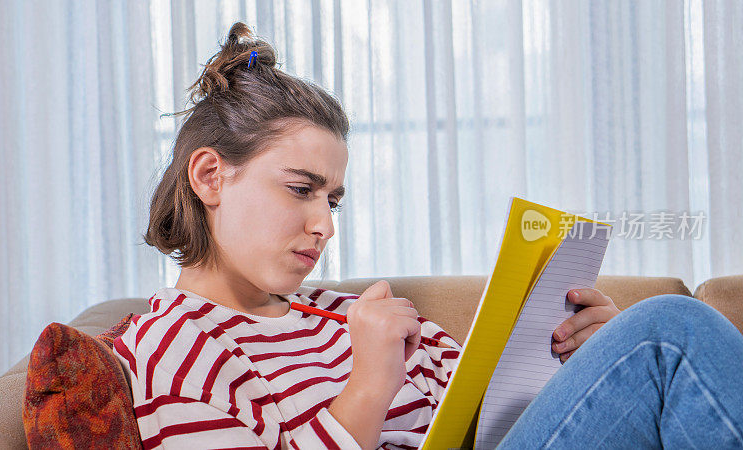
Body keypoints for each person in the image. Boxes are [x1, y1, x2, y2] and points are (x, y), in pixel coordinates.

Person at [114, 22, 743, 449]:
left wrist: (582, 361)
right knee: (672, 332)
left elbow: (501, 422)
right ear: (209, 176)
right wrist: (369, 384)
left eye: (333, 200)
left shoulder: (348, 315)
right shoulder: (171, 347)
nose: (325, 225)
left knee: (652, 339)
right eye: (300, 189)